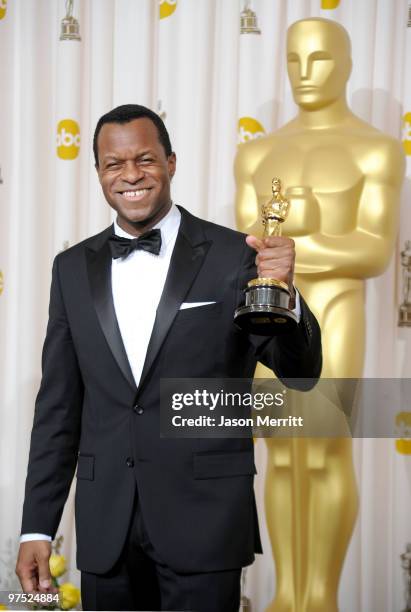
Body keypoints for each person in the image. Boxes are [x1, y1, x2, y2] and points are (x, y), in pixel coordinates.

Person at [15, 104, 322, 612]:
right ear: (97, 172)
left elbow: (302, 373)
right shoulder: (70, 268)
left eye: (145, 159)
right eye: (113, 164)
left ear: (172, 163)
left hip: (204, 521)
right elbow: (58, 410)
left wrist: (286, 292)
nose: (130, 175)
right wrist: (36, 527)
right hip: (105, 526)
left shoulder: (235, 255)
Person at [235, 18, 404, 612]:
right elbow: (244, 241)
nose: (306, 74)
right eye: (295, 61)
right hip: (271, 314)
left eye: (321, 60)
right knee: (280, 450)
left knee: (327, 447)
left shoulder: (377, 148)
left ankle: (321, 597)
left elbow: (375, 250)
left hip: (336, 306)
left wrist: (298, 244)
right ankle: (287, 592)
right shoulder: (256, 152)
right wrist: (281, 245)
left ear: (348, 63)